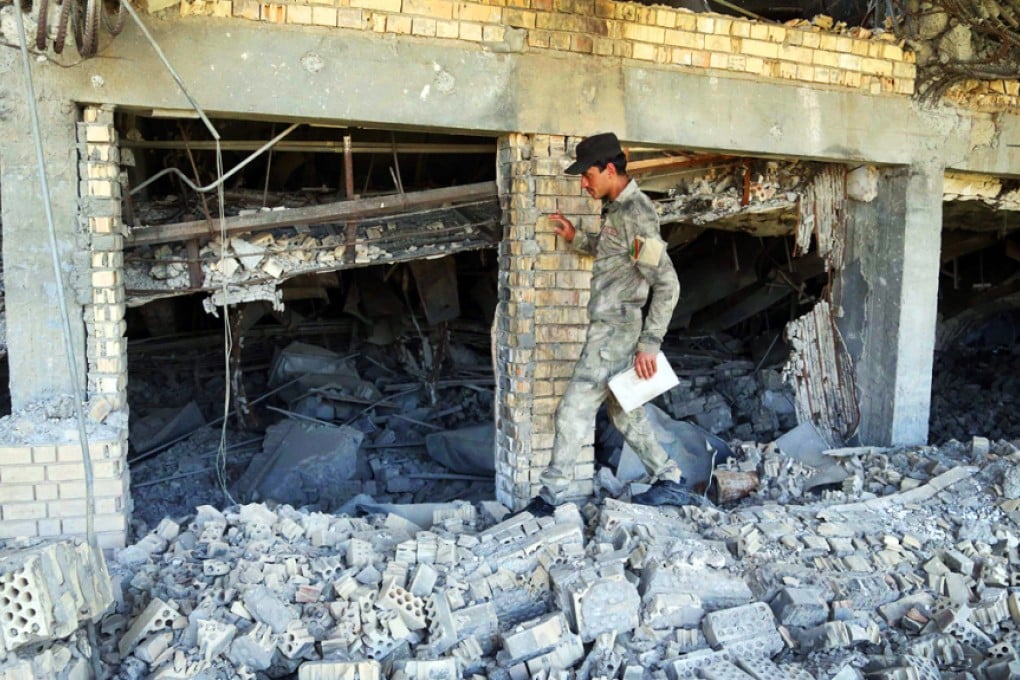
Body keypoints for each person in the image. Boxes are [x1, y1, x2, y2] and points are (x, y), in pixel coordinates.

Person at [526, 132, 698, 514]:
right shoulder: (619, 213)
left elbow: (666, 283)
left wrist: (650, 343)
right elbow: (615, 254)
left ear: (608, 169)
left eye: (586, 175)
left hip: (614, 334)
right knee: (624, 412)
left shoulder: (636, 215)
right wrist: (576, 238)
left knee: (572, 410)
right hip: (613, 330)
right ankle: (670, 479)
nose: (583, 184)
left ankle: (549, 497)